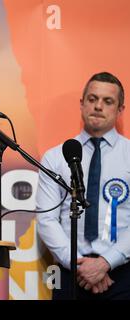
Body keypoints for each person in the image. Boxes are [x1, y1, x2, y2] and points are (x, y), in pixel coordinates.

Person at [36, 72, 130, 299]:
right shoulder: (56, 157)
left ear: (120, 110)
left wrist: (107, 262)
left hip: (123, 273)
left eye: (108, 101)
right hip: (71, 274)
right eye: (92, 99)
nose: (98, 106)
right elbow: (46, 218)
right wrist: (79, 265)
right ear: (81, 103)